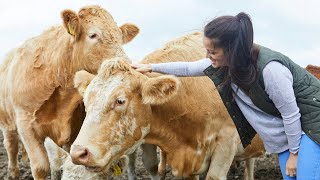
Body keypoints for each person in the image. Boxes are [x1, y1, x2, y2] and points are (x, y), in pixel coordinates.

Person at [131, 12, 320, 180]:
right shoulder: (227, 64)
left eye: (212, 51)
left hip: (310, 128)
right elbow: (188, 67)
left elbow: (291, 114)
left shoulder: (270, 69)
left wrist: (294, 154)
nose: (208, 56)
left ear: (232, 49)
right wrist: (151, 67)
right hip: (290, 135)